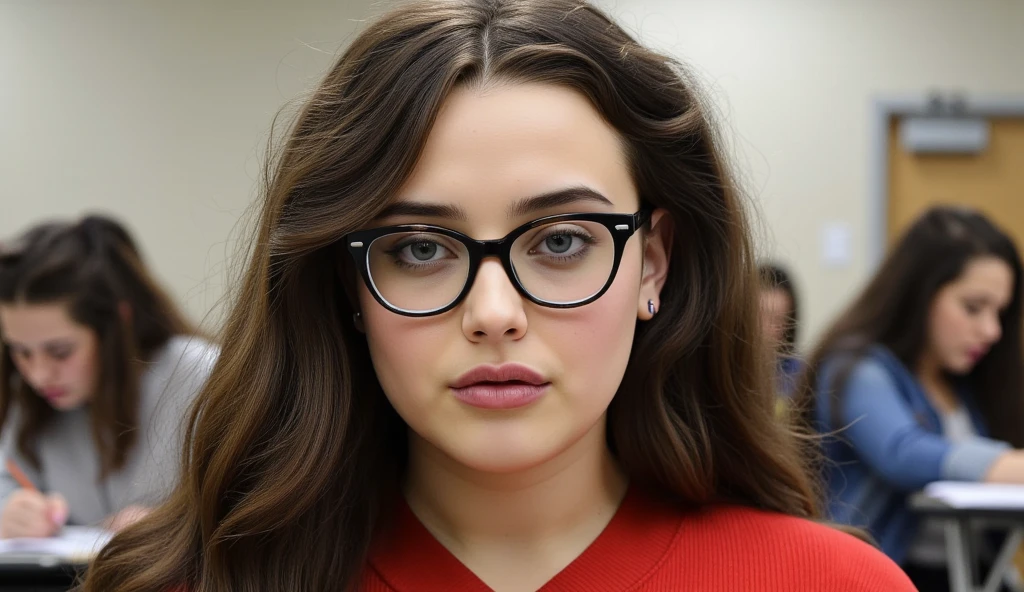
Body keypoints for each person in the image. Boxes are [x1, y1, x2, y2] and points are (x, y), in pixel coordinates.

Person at [85, 1, 913, 590]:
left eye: (561, 242)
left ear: (653, 264)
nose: (493, 314)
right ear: (348, 285)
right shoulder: (187, 583)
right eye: (418, 249)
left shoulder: (831, 583)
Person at [797, 206, 1024, 589]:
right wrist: (1003, 465)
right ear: (922, 294)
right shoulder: (857, 369)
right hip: (885, 577)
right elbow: (902, 452)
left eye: (999, 313)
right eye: (973, 308)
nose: (991, 331)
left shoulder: (965, 385)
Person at [0, 216, 217, 538]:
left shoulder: (201, 374)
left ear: (117, 324)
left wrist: (181, 524)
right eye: (21, 351)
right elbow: (9, 479)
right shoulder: (30, 398)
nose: (38, 375)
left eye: (60, 352)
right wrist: (11, 511)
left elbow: (258, 500)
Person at [759, 263, 802, 398]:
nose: (769, 329)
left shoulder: (799, 374)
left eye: (779, 320)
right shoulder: (726, 373)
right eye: (761, 316)